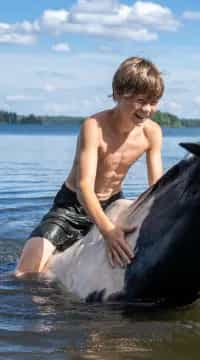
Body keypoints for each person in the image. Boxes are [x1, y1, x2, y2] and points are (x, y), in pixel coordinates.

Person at [15, 56, 164, 275]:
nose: (148, 109)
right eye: (142, 101)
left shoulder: (152, 132)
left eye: (154, 102)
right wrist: (109, 231)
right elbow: (84, 188)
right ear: (118, 93)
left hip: (113, 202)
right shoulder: (94, 127)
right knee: (25, 272)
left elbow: (157, 188)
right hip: (72, 206)